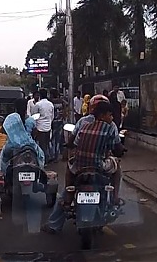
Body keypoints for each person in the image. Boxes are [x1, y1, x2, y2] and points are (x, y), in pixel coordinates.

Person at [40, 95, 124, 234]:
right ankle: (114, 197)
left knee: (67, 184)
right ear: (103, 113)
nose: (112, 117)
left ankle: (56, 221)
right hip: (99, 166)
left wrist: (71, 147)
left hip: (79, 166)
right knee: (116, 167)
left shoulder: (83, 123)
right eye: (110, 114)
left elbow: (74, 141)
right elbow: (116, 147)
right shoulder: (111, 126)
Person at [0, 98, 45, 173]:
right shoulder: (31, 120)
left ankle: (3, 173)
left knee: (3, 158)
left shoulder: (11, 118)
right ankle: (40, 171)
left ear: (15, 107)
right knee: (41, 156)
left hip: (12, 146)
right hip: (30, 146)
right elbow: (35, 133)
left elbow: (4, 129)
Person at [30, 89, 54, 163]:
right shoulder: (50, 104)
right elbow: (52, 116)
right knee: (46, 145)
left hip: (40, 128)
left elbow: (33, 116)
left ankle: (43, 161)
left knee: (41, 146)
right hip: (48, 127)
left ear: (40, 95)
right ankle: (46, 159)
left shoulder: (38, 105)